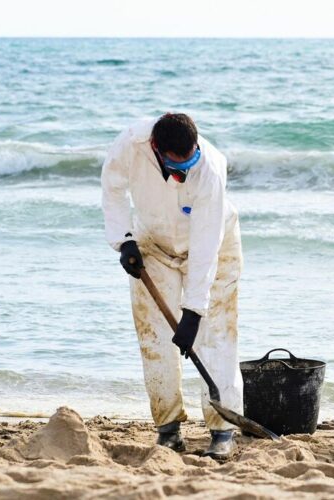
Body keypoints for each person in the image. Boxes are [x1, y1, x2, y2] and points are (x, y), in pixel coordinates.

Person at [101, 113, 244, 458]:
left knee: (216, 336)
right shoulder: (131, 145)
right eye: (176, 164)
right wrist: (124, 241)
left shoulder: (210, 169)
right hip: (153, 243)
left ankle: (223, 431)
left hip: (214, 246)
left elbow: (206, 247)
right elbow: (113, 186)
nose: (185, 169)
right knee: (154, 337)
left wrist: (193, 312)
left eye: (189, 160)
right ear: (156, 149)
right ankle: (168, 430)